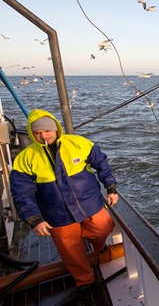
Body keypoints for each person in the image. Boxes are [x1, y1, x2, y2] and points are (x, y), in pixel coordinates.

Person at [9, 109, 118, 290]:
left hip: (89, 203)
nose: (43, 135)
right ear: (32, 133)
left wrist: (111, 188)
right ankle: (85, 281)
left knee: (103, 227)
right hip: (56, 213)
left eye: (47, 130)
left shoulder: (77, 143)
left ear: (56, 128)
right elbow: (22, 193)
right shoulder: (25, 158)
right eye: (37, 132)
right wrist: (35, 219)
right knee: (70, 250)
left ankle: (98, 246)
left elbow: (101, 163)